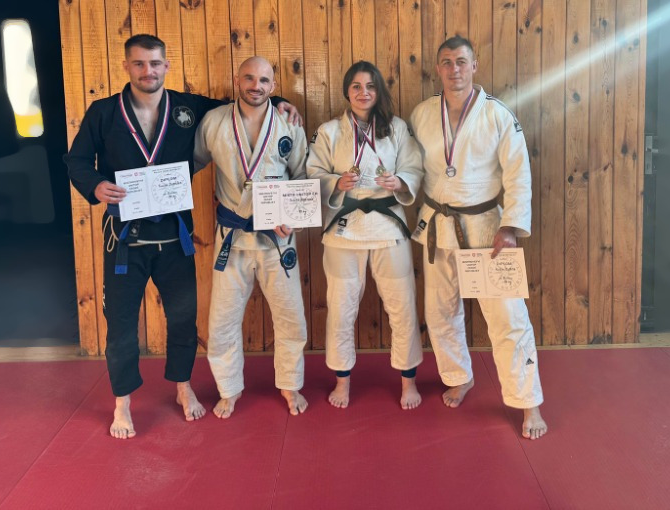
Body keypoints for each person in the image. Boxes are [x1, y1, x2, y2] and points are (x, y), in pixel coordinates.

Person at [66, 35, 299, 439]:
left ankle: (183, 386)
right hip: (125, 238)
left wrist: (279, 103)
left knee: (182, 319)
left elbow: (242, 103)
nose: (148, 71)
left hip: (175, 236)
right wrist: (96, 185)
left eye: (155, 63)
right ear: (126, 66)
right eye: (139, 64)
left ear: (166, 66)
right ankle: (122, 404)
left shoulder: (187, 108)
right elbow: (77, 160)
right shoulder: (103, 112)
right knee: (120, 324)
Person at [408, 35, 549, 440]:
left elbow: (518, 174)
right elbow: (407, 161)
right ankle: (459, 376)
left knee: (507, 317)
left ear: (474, 65)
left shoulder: (498, 115)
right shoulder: (422, 114)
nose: (454, 69)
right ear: (438, 68)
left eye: (461, 61)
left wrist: (511, 226)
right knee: (440, 311)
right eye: (446, 62)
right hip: (438, 225)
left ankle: (528, 402)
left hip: (487, 228)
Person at [193, 56, 310, 418]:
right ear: (237, 80)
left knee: (291, 317)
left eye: (263, 80)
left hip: (278, 240)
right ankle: (229, 389)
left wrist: (295, 219)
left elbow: (303, 177)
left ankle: (290, 384)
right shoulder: (214, 122)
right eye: (248, 78)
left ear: (273, 87)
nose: (255, 86)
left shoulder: (289, 123)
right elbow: (189, 163)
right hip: (233, 239)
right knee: (222, 321)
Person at [307, 61, 425, 409]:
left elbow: (414, 166)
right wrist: (335, 182)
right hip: (344, 230)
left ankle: (408, 381)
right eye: (356, 86)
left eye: (370, 86)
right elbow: (312, 171)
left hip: (388, 226)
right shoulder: (329, 131)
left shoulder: (396, 128)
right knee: (341, 308)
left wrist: (399, 181)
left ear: (379, 91)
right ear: (347, 91)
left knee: (402, 306)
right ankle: (342, 381)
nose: (364, 93)